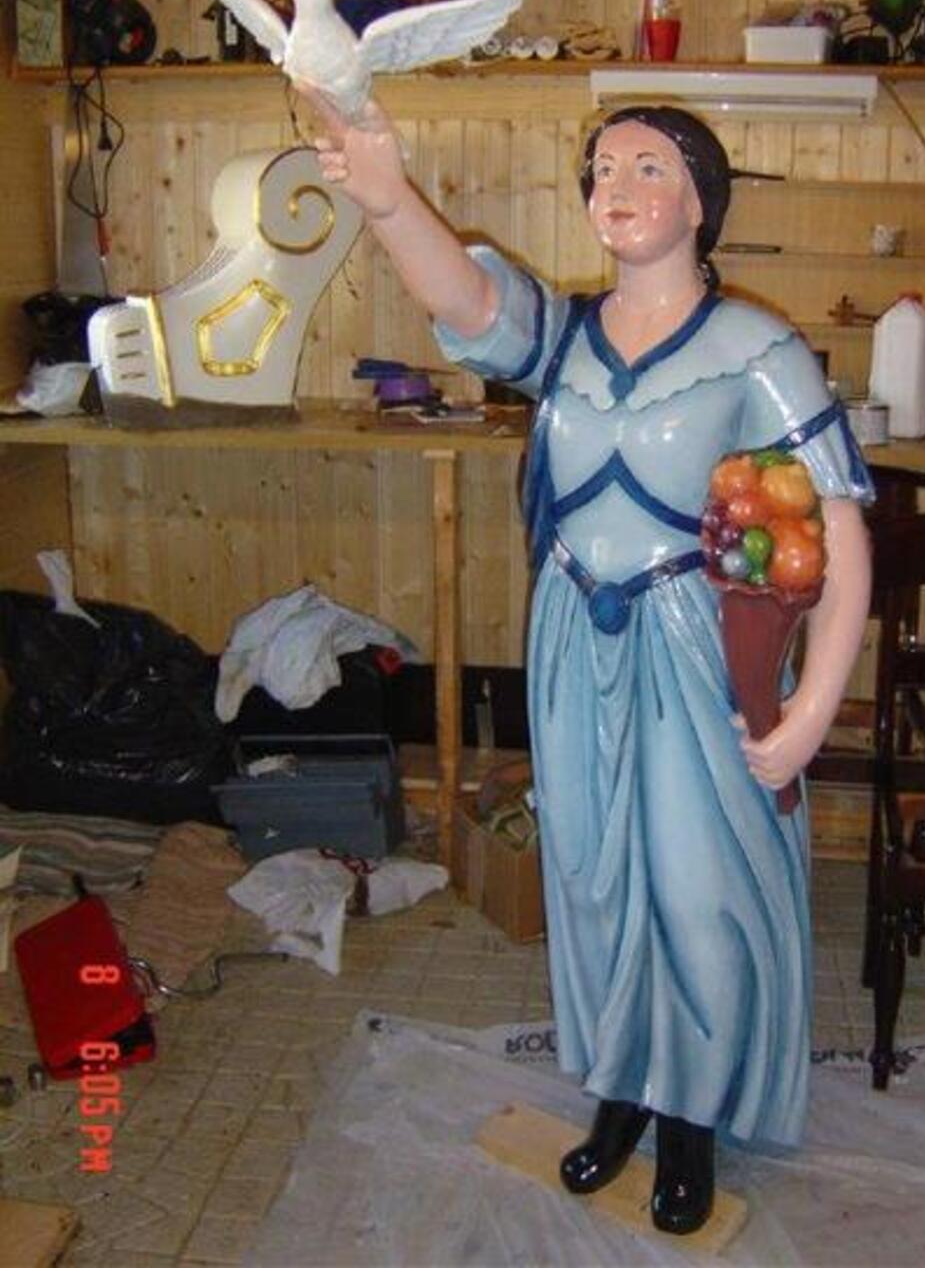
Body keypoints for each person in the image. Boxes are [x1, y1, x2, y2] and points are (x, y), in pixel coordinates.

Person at [303, 88, 873, 1235]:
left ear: (702, 202)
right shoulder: (561, 336)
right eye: (603, 168)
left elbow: (844, 527)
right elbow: (465, 299)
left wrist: (813, 705)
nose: (618, 186)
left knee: (696, 889)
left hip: (691, 649)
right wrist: (386, 196)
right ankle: (622, 1088)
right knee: (595, 878)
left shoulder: (755, 349)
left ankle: (693, 1112)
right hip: (571, 636)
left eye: (650, 166)